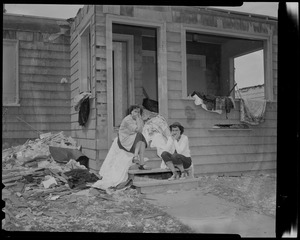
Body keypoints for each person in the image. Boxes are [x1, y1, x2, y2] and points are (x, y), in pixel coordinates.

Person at [117, 105, 151, 170]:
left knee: (142, 140)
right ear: (131, 112)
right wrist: (138, 120)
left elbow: (141, 129)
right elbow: (138, 130)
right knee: (140, 136)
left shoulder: (138, 118)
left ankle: (139, 161)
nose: (137, 113)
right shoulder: (127, 119)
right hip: (124, 139)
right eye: (135, 111)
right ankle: (137, 158)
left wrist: (139, 119)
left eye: (138, 112)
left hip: (133, 137)